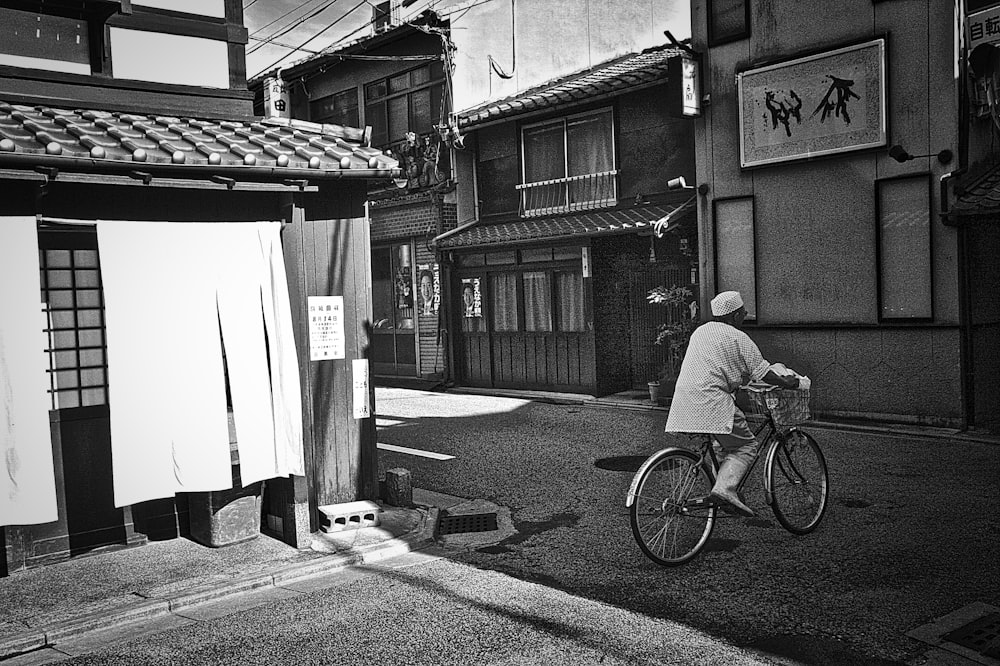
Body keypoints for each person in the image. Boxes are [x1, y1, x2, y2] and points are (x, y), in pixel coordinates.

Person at [664, 290, 800, 517]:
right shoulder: (738, 337)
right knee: (746, 446)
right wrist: (786, 382)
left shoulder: (701, 331)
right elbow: (763, 372)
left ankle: (726, 492)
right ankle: (725, 488)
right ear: (735, 315)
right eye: (743, 311)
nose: (746, 314)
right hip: (712, 400)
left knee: (722, 443)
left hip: (684, 400)